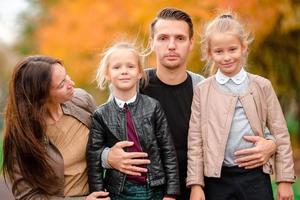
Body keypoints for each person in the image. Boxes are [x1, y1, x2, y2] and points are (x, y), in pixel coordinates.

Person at [102, 8, 277, 200]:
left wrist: (271, 144)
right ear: (151, 43)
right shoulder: (134, 87)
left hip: (200, 191)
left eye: (180, 38)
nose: (171, 45)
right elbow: (100, 138)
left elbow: (243, 126)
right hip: (148, 192)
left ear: (191, 43)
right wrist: (107, 157)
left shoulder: (205, 88)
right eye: (163, 38)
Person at [187, 12, 295, 200]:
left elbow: (280, 134)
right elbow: (195, 140)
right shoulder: (203, 90)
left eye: (232, 49)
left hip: (255, 177)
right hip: (217, 180)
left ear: (244, 47)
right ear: (210, 53)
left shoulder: (262, 86)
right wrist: (196, 185)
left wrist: (284, 180)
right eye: (219, 51)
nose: (226, 57)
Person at [2, 56, 110, 200]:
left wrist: (110, 155)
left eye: (66, 76)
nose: (71, 83)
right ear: (40, 96)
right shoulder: (22, 137)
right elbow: (27, 196)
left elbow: (105, 140)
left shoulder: (83, 101)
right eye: (61, 85)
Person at [86, 42, 180, 200]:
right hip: (119, 191)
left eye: (130, 66)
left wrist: (171, 193)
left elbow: (168, 151)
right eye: (117, 67)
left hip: (155, 188)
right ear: (107, 74)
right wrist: (99, 193)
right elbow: (94, 155)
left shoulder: (153, 107)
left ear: (139, 73)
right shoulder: (101, 114)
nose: (124, 71)